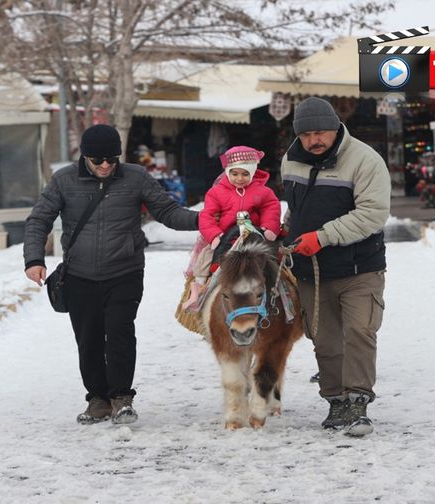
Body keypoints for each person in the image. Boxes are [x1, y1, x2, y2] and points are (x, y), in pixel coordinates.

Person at [23, 124, 198, 425]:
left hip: (125, 270)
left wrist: (207, 220)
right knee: (88, 339)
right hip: (79, 274)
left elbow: (168, 212)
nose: (105, 165)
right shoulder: (64, 180)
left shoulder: (136, 177)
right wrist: (34, 259)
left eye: (111, 160)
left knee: (119, 332)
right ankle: (98, 400)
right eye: (98, 160)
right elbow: (39, 219)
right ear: (85, 157)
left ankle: (121, 398)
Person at [281, 97, 390, 437]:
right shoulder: (291, 160)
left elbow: (373, 213)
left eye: (322, 133)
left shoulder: (365, 160)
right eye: (307, 134)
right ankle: (335, 400)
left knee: (359, 331)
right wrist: (288, 229)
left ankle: (358, 400)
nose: (315, 140)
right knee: (324, 339)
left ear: (335, 129)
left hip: (360, 267)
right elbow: (296, 208)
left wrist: (323, 236)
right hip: (311, 267)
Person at [181, 146, 281, 310]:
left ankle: (278, 289)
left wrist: (269, 227)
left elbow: (271, 208)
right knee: (205, 260)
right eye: (235, 174)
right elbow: (208, 215)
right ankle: (199, 290)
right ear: (227, 173)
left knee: (272, 260)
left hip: (253, 236)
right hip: (224, 238)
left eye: (245, 174)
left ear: (253, 173)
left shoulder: (263, 192)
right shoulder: (217, 192)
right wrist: (214, 235)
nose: (239, 178)